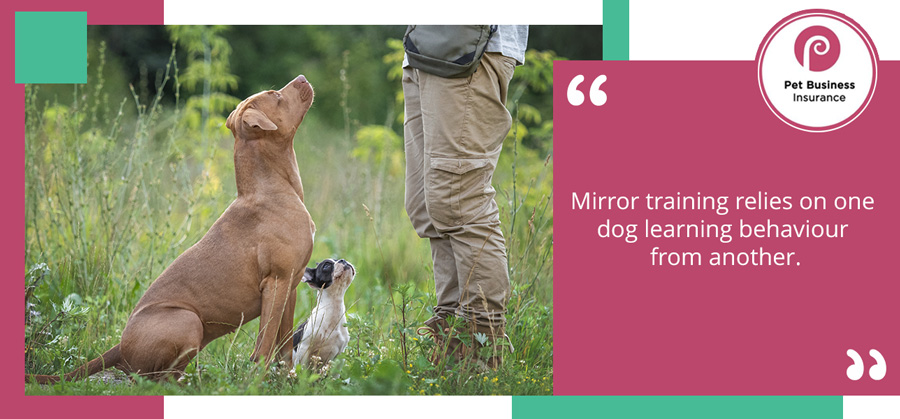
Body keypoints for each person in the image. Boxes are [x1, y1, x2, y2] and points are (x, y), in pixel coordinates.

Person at [402, 25, 528, 368]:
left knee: (460, 201)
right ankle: (450, 334)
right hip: (425, 47)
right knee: (427, 206)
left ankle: (482, 349)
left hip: (474, 47)